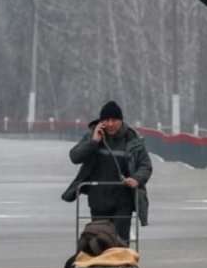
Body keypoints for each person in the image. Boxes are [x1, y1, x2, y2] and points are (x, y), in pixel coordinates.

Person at [62, 100, 152, 243]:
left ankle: (121, 263)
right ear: (101, 121)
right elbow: (75, 157)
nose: (110, 124)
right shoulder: (92, 135)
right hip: (98, 199)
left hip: (123, 199)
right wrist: (93, 142)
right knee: (100, 240)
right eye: (106, 120)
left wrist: (136, 179)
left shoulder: (132, 139)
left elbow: (145, 166)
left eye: (114, 120)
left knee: (120, 241)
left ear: (121, 120)